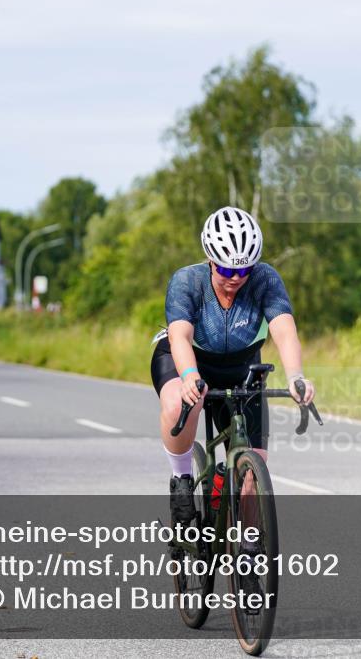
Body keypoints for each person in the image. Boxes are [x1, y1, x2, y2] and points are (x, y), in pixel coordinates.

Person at [152, 206, 316, 529]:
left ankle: (250, 548)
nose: (236, 279)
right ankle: (181, 480)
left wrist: (296, 376)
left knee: (255, 469)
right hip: (187, 359)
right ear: (211, 260)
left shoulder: (265, 279)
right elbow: (180, 337)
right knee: (180, 402)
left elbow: (284, 330)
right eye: (227, 271)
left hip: (242, 366)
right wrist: (189, 377)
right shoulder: (187, 281)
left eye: (245, 271)